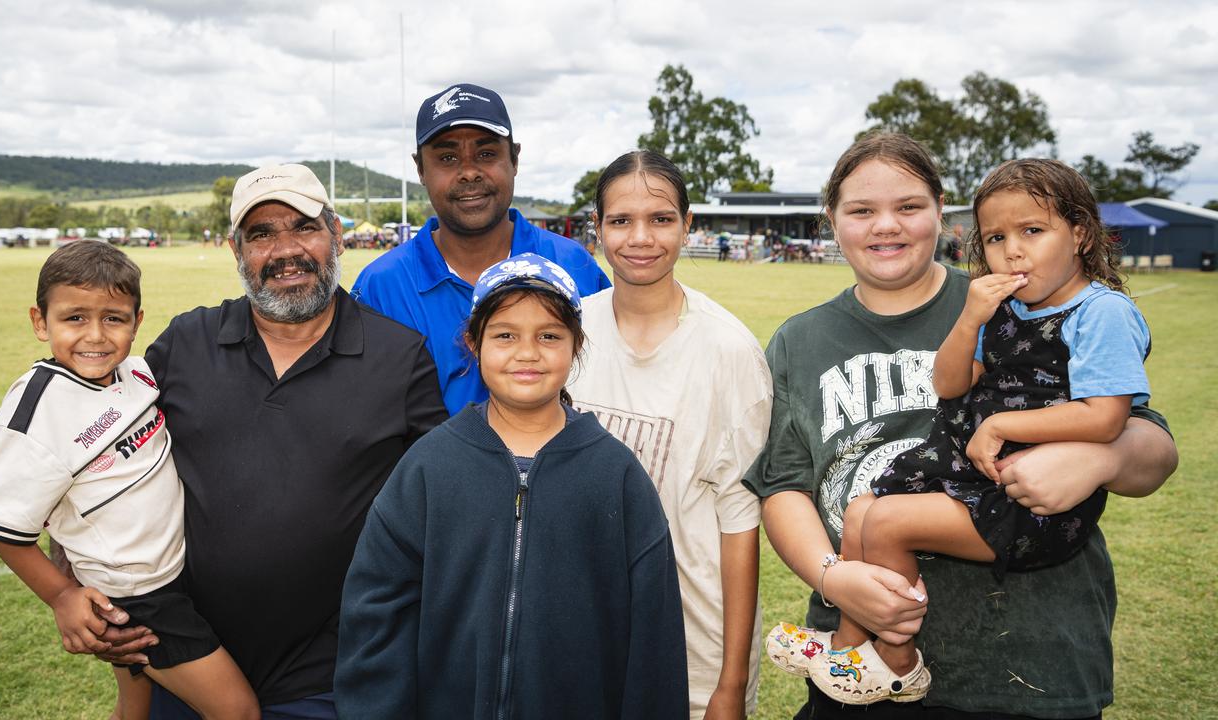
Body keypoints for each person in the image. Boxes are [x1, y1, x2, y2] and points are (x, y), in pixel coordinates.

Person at [745, 132, 1177, 718]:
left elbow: (1148, 443)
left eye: (908, 207)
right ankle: (853, 649)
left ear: (939, 209)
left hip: (1021, 666)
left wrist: (1103, 458)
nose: (886, 226)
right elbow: (785, 484)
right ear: (832, 219)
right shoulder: (801, 339)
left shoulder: (1031, 301)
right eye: (862, 210)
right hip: (855, 661)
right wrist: (833, 577)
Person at [98, 164, 447, 718]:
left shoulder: (399, 358)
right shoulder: (187, 342)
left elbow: (440, 507)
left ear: (335, 233)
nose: (286, 250)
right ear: (237, 250)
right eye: (261, 234)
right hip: (188, 657)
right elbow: (98, 461)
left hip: (334, 674)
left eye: (304, 227)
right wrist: (81, 584)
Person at [335, 253, 689, 718]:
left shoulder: (617, 476)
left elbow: (654, 641)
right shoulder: (428, 467)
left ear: (576, 346)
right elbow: (376, 615)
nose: (527, 353)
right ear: (473, 342)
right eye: (505, 335)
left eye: (549, 335)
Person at [0, 240, 258, 720]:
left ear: (137, 322)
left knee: (135, 708)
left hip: (178, 571)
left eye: (114, 318)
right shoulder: (36, 412)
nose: (95, 336)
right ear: (41, 321)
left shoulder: (139, 375)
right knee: (237, 710)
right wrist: (62, 596)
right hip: (136, 596)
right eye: (74, 318)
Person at [568, 151, 770, 720]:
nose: (640, 238)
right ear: (598, 228)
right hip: (582, 632)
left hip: (693, 645)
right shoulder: (568, 333)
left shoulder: (728, 350)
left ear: (688, 226)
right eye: (620, 220)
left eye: (660, 219)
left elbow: (739, 523)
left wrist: (730, 682)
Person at [350, 83, 610, 415]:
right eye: (447, 157)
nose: (469, 172)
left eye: (486, 154)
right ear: (420, 169)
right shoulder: (381, 286)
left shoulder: (573, 266)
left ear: (514, 158)